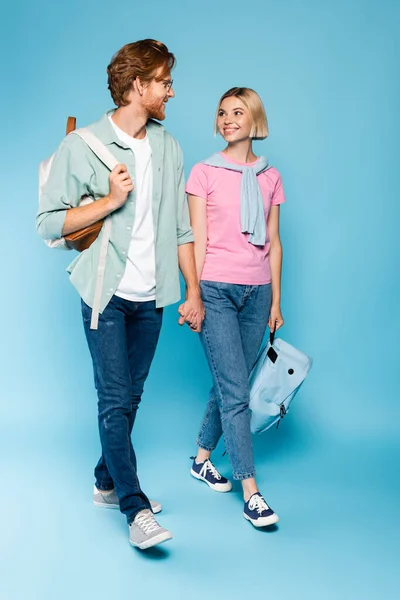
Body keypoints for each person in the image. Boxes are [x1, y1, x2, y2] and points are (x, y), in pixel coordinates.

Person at [36, 39, 204, 550]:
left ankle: (106, 482)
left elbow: (180, 229)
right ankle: (135, 509)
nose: (172, 92)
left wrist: (192, 290)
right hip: (104, 294)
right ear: (139, 86)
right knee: (113, 400)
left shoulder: (169, 147)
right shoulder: (82, 146)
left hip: (152, 297)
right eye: (165, 83)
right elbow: (49, 226)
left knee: (129, 397)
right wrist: (111, 200)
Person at [186, 87, 285, 527]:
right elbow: (194, 239)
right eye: (222, 112)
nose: (228, 119)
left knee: (232, 385)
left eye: (238, 112)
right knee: (236, 392)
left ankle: (202, 458)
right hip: (216, 291)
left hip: (257, 292)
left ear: (254, 120)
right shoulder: (203, 172)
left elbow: (274, 240)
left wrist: (276, 300)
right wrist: (193, 295)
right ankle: (252, 492)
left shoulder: (270, 176)